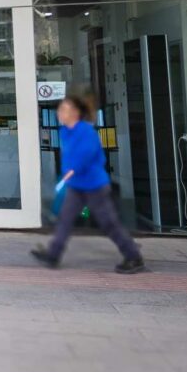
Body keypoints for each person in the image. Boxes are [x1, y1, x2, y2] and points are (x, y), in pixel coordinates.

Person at [31, 95, 146, 273]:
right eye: (60, 109)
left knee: (108, 223)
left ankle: (133, 257)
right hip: (76, 186)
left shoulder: (85, 131)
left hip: (94, 186)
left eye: (65, 109)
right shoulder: (64, 132)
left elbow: (88, 153)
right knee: (65, 220)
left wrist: (73, 169)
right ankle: (53, 255)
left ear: (76, 113)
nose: (61, 113)